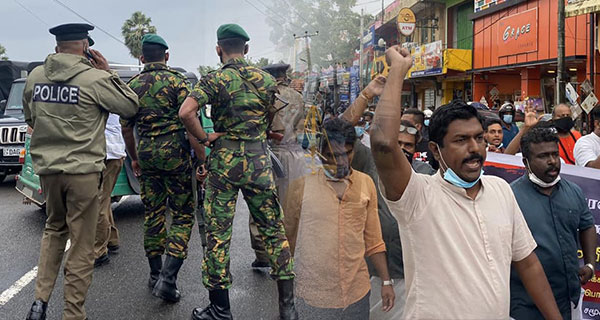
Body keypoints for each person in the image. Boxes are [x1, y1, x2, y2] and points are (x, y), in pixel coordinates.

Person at [369, 45, 562, 319]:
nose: (475, 148)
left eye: (479, 138)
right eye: (461, 140)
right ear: (436, 150)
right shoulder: (418, 196)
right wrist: (398, 70)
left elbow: (528, 264)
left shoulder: (501, 191)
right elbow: (383, 144)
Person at [179, 24, 297, 320]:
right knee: (273, 229)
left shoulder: (214, 79)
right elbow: (273, 119)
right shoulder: (266, 79)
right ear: (246, 49)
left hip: (225, 162)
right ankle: (288, 308)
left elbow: (185, 112)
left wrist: (205, 139)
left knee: (218, 233)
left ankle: (220, 309)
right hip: (259, 160)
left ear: (219, 49)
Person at [23, 23, 138, 320]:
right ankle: (73, 313)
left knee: (54, 229)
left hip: (48, 171)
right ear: (86, 46)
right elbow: (130, 106)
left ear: (56, 45)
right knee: (83, 243)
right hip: (84, 172)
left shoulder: (35, 77)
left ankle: (39, 302)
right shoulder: (95, 78)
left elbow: (29, 116)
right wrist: (108, 71)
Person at [283, 117, 394, 319]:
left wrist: (386, 282)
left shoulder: (366, 183)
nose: (340, 162)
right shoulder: (301, 186)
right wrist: (284, 296)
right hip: (313, 297)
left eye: (347, 153)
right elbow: (287, 239)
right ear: (319, 153)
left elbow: (374, 240)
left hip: (357, 293)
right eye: (331, 156)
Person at [122, 34, 199, 303]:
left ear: (142, 58)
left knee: (152, 212)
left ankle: (155, 274)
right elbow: (190, 123)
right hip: (176, 155)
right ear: (167, 56)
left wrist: (133, 158)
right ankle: (168, 278)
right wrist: (200, 157)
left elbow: (126, 127)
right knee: (181, 214)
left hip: (147, 156)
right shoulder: (179, 82)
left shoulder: (132, 86)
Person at [509, 125, 597, 319]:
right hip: (526, 305)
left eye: (554, 154)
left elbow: (587, 225)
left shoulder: (573, 191)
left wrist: (590, 265)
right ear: (526, 161)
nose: (552, 161)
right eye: (543, 156)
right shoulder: (510, 197)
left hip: (569, 299)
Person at [248, 63, 306, 269]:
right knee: (291, 207)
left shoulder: (261, 95)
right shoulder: (297, 97)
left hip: (267, 153)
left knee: (262, 204)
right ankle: (285, 255)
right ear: (285, 75)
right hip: (294, 154)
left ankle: (262, 254)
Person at [93, 113, 126, 267]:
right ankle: (112, 239)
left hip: (104, 152)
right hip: (116, 151)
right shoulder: (113, 93)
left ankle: (98, 251)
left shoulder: (99, 93)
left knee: (97, 202)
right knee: (104, 198)